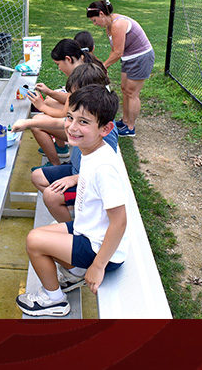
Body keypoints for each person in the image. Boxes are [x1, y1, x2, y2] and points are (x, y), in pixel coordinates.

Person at [16, 84, 128, 317]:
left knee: (34, 240)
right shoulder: (90, 150)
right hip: (87, 232)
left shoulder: (104, 167)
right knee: (43, 233)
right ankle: (74, 273)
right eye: (70, 117)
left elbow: (119, 222)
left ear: (106, 128)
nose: (72, 127)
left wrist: (97, 267)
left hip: (101, 251)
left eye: (84, 122)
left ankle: (54, 300)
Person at [30, 70, 118, 222]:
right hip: (76, 169)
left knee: (51, 196)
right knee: (37, 176)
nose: (69, 98)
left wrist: (74, 179)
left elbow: (103, 168)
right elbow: (60, 123)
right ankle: (72, 208)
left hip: (87, 182)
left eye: (73, 94)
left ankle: (73, 225)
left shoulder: (105, 132)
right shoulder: (84, 116)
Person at [87, 0, 155, 137]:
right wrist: (104, 66)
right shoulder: (109, 26)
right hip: (129, 58)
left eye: (95, 20)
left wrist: (103, 66)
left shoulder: (118, 24)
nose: (95, 24)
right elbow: (115, 51)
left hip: (141, 58)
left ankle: (130, 127)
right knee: (125, 89)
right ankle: (124, 121)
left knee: (132, 93)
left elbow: (118, 52)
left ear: (101, 14)